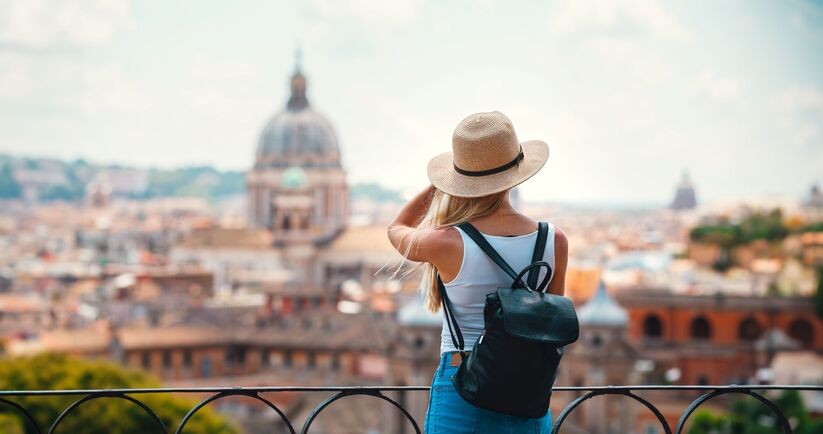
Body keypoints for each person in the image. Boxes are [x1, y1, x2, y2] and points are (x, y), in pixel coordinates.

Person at [387, 111, 568, 433]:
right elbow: (549, 323)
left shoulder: (446, 242)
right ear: (517, 172)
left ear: (460, 180)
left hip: (461, 386)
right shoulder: (554, 240)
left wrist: (438, 186)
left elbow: (396, 228)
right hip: (527, 390)